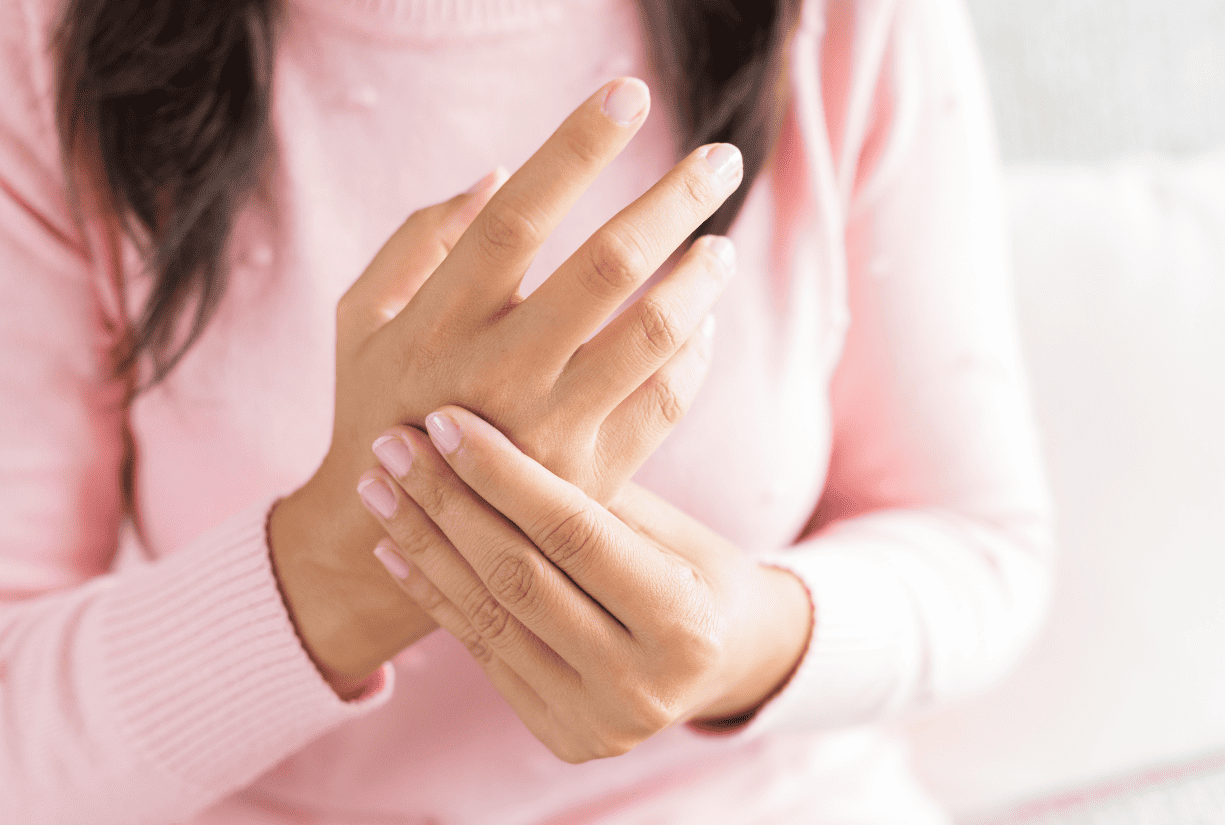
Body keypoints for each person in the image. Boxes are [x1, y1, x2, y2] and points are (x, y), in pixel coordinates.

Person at [0, 0, 1055, 821]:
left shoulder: (843, 23)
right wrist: (338, 561)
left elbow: (979, 545)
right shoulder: (45, 44)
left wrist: (740, 642)